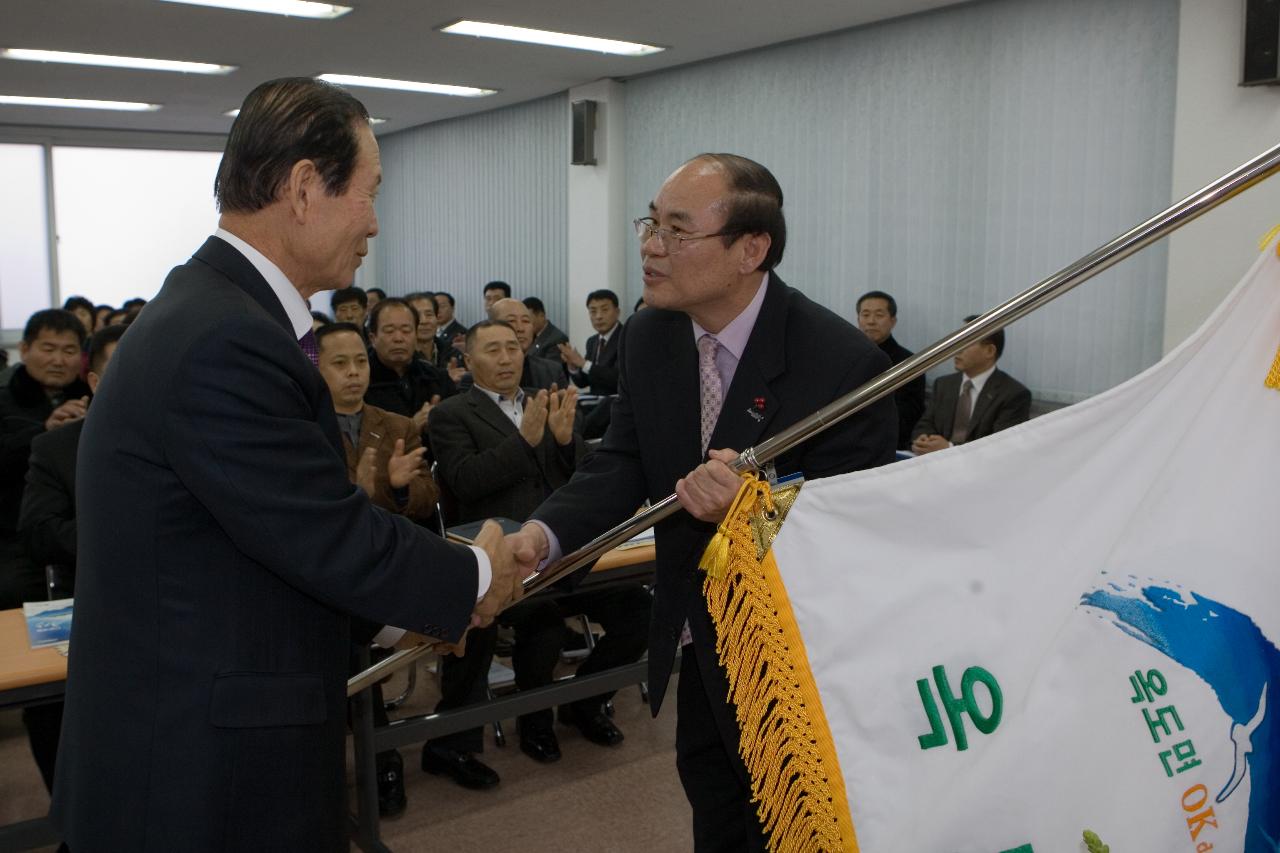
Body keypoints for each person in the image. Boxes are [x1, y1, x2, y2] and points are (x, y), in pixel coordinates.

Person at [50, 77, 522, 852]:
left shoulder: (214, 311)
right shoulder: (225, 340)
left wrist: (409, 604)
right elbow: (324, 534)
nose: (374, 220)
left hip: (200, 742)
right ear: (305, 187)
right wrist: (473, 575)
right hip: (194, 778)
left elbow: (270, 541)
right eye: (368, 192)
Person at [507, 153, 897, 851]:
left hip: (799, 663)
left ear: (751, 249)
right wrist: (542, 535)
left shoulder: (839, 363)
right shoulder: (652, 333)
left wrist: (748, 512)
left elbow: (855, 531)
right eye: (650, 225)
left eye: (676, 231)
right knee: (717, 812)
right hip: (697, 636)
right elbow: (624, 460)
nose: (652, 248)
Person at [422, 320, 588, 784]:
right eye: (492, 350)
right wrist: (525, 443)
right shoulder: (453, 413)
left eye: (513, 348)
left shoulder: (545, 398)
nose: (506, 358)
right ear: (468, 361)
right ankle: (451, 744)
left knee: (634, 609)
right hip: (491, 558)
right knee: (508, 628)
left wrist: (562, 443)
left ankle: (579, 707)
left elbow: (578, 480)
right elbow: (466, 481)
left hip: (557, 548)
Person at [315, 321, 437, 818]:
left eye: (360, 362)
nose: (353, 374)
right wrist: (357, 499)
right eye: (339, 364)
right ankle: (373, 759)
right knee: (344, 652)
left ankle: (391, 757)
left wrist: (398, 490)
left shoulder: (397, 425)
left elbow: (428, 500)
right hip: (326, 573)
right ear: (316, 369)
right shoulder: (301, 427)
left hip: (387, 564)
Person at [15, 324, 124, 797]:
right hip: (87, 596)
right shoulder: (56, 447)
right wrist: (125, 539)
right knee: (55, 709)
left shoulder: (188, 436)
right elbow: (40, 532)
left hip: (173, 603)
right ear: (96, 382)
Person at [0, 309, 91, 609]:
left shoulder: (94, 400)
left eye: (69, 351)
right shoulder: (5, 401)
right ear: (24, 350)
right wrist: (45, 434)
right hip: (13, 534)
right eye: (48, 349)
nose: (58, 360)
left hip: (76, 529)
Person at [911, 314, 1031, 454]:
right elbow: (925, 424)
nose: (956, 349)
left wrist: (949, 449)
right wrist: (923, 440)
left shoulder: (1013, 394)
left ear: (989, 351)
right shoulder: (944, 384)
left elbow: (1002, 448)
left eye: (966, 342)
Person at [364, 297, 456, 443]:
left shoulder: (437, 378)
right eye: (389, 331)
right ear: (373, 338)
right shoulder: (361, 383)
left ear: (415, 335)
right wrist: (412, 426)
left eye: (406, 330)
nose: (399, 338)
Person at [856, 290, 926, 450]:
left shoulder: (910, 363)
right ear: (858, 319)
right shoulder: (845, 356)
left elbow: (909, 416)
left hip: (889, 444)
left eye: (879, 315)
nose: (871, 321)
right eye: (865, 315)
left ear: (893, 321)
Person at [489, 298, 568, 392]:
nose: (520, 328)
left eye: (526, 321)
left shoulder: (552, 371)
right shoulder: (482, 370)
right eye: (511, 321)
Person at [559, 289, 621, 395]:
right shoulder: (592, 341)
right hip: (595, 403)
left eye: (605, 310)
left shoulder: (626, 337)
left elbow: (618, 379)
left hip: (616, 404)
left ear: (617, 312)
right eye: (593, 311)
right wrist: (573, 366)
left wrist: (583, 363)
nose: (598, 316)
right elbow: (584, 382)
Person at [523, 296, 569, 360]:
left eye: (527, 320)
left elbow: (550, 368)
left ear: (541, 315)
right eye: (523, 320)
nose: (525, 324)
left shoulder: (557, 339)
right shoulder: (529, 335)